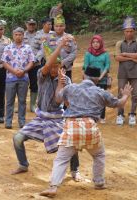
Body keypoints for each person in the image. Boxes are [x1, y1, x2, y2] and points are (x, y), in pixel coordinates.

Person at [39, 67, 133, 197]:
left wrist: (61, 82)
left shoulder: (71, 88)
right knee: (99, 155)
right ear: (97, 79)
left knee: (61, 159)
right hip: (90, 127)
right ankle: (99, 182)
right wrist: (126, 95)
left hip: (72, 126)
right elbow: (120, 103)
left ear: (83, 75)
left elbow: (58, 98)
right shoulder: (101, 92)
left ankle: (53, 187)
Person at [11, 36, 81, 182]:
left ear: (62, 66)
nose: (55, 69)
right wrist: (60, 45)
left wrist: (62, 85)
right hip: (41, 117)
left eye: (58, 66)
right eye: (52, 66)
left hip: (57, 119)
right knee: (17, 138)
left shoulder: (66, 80)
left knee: (71, 142)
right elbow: (48, 64)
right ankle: (23, 165)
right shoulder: (41, 75)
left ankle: (75, 170)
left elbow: (58, 100)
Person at [1, 27, 35, 129]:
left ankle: (22, 122)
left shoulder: (28, 48)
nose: (18, 36)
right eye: (16, 34)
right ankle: (8, 122)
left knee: (22, 101)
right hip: (10, 78)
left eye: (20, 34)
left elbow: (31, 62)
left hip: (23, 78)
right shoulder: (8, 48)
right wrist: (14, 71)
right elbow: (4, 62)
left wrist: (24, 71)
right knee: (9, 101)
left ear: (23, 36)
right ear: (13, 36)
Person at [115, 17, 137, 126]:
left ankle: (132, 114)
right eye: (127, 31)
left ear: (134, 31)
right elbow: (117, 58)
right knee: (120, 94)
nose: (129, 33)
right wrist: (132, 58)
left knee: (135, 95)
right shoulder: (119, 43)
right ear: (123, 31)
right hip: (122, 73)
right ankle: (120, 115)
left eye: (131, 31)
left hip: (135, 73)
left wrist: (125, 54)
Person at [83, 35, 110, 123]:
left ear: (101, 43)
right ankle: (92, 116)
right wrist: (90, 78)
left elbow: (107, 66)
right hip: (90, 79)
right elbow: (86, 66)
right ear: (91, 43)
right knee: (91, 98)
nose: (95, 44)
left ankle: (102, 117)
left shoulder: (105, 54)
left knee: (102, 98)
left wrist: (100, 77)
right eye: (94, 42)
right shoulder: (88, 53)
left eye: (97, 42)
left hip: (103, 79)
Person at [43, 15, 77, 80]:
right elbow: (45, 52)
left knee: (67, 88)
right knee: (54, 89)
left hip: (66, 69)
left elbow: (74, 53)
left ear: (64, 26)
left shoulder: (70, 38)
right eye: (56, 26)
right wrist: (52, 63)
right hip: (52, 69)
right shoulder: (48, 38)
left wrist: (63, 63)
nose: (59, 28)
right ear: (54, 27)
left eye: (61, 26)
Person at [24, 18, 41, 112]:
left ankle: (33, 105)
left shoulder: (39, 35)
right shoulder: (22, 35)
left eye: (33, 24)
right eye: (29, 24)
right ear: (26, 24)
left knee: (35, 85)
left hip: (35, 64)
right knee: (23, 84)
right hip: (23, 65)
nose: (31, 26)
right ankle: (22, 105)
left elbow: (42, 49)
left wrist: (34, 60)